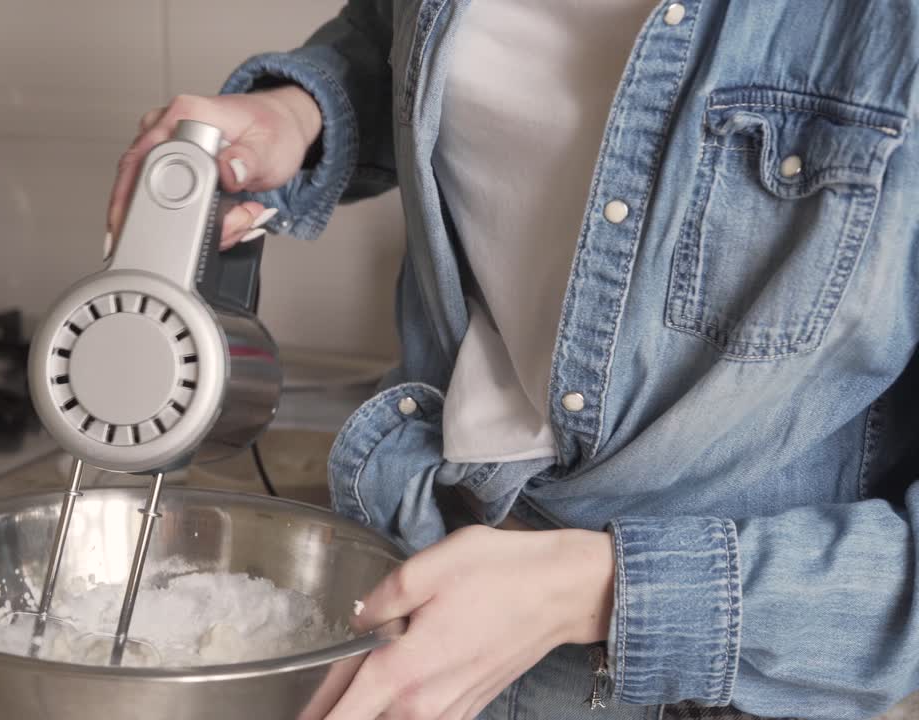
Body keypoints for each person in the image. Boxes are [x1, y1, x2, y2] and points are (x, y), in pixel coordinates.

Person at [106, 2, 919, 719]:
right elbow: (398, 36)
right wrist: (301, 110)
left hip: (725, 687)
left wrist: (589, 589)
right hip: (423, 568)